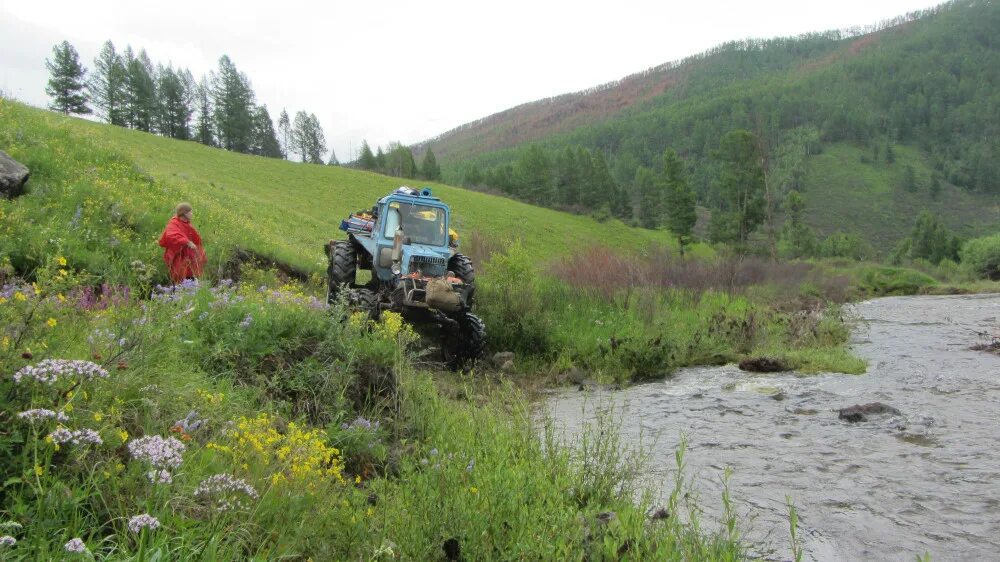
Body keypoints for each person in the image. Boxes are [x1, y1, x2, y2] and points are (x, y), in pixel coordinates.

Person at [158, 202, 206, 283]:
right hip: (178, 257)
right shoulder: (173, 223)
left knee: (191, 277)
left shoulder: (187, 225)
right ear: (184, 213)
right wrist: (187, 242)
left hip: (188, 258)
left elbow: (197, 240)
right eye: (190, 212)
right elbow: (172, 235)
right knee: (180, 277)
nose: (192, 213)